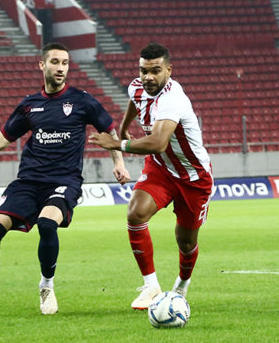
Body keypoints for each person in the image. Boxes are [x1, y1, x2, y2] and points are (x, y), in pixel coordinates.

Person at [0, 42, 130, 315]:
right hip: (29, 181)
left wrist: (119, 163)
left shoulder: (82, 101)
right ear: (42, 65)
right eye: (55, 62)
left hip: (64, 181)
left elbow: (110, 130)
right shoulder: (29, 105)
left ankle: (46, 287)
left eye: (65, 63)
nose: (61, 68)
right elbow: (4, 137)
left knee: (46, 224)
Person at [89, 42, 213, 310]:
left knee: (186, 240)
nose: (148, 77)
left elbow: (157, 142)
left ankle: (182, 284)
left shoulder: (173, 98)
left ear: (169, 70)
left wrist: (117, 143)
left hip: (193, 176)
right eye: (144, 71)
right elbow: (135, 101)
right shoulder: (137, 86)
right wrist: (124, 127)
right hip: (160, 168)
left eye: (155, 71)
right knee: (135, 213)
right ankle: (151, 287)